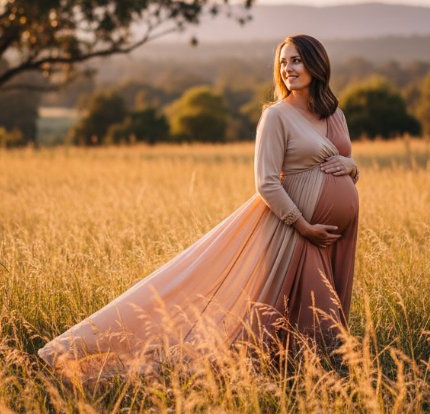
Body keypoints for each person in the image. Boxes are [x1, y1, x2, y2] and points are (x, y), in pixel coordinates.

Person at [37, 34, 360, 380]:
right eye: (283, 62)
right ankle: (315, 381)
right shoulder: (276, 116)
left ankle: (296, 380)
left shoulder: (335, 114)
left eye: (295, 60)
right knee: (319, 318)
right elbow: (266, 181)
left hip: (335, 234)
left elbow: (346, 160)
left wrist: (352, 168)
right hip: (295, 231)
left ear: (316, 62)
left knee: (319, 313)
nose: (288, 69)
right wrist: (303, 225)